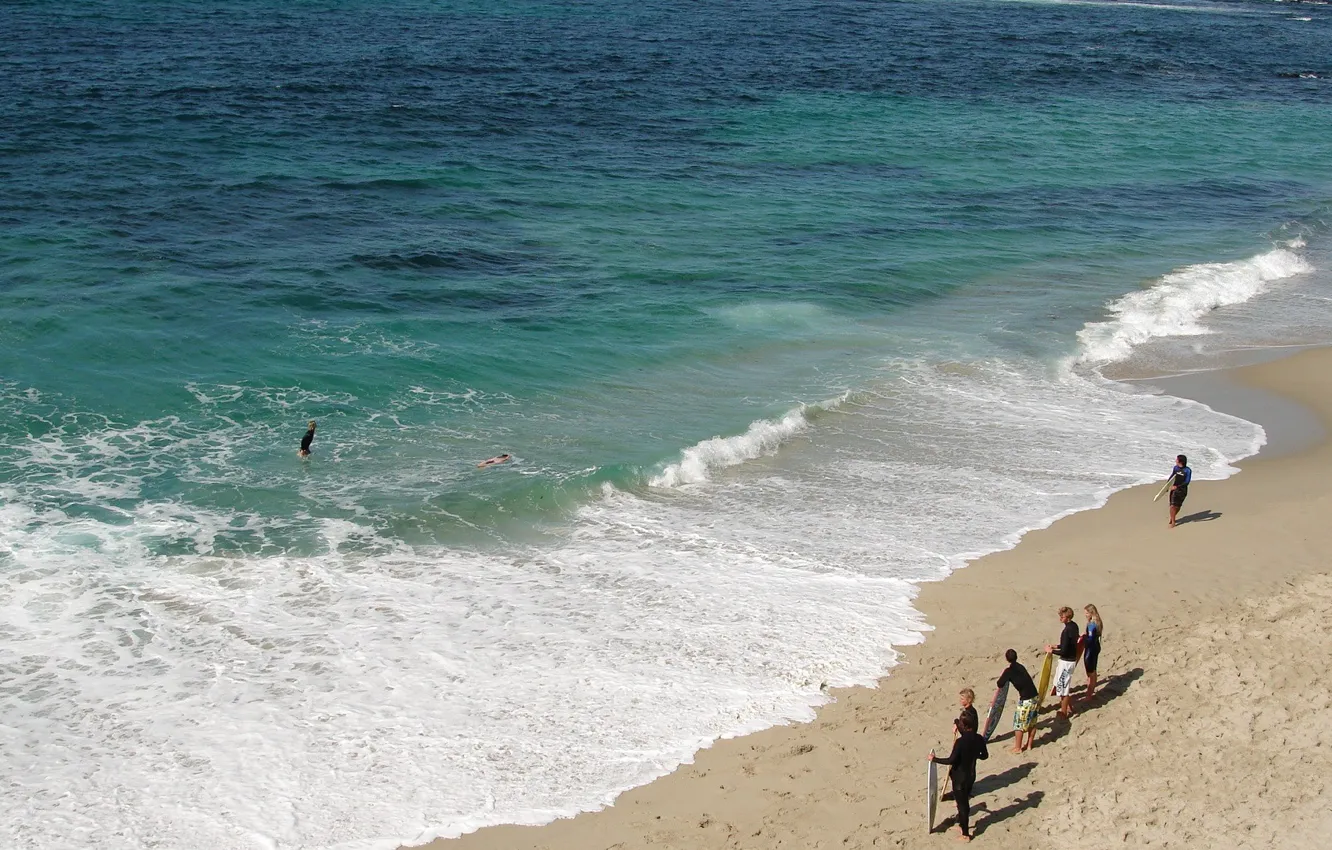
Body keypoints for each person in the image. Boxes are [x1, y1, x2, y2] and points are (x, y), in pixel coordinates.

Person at [929, 713, 989, 842]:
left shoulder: (960, 742)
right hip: (971, 776)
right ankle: (963, 826)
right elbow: (984, 756)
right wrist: (956, 722)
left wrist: (934, 759)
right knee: (963, 803)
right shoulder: (979, 738)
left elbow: (951, 760)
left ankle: (965, 834)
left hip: (959, 779)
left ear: (965, 725)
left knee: (963, 807)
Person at [997, 649, 1039, 753]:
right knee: (1032, 722)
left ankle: (1018, 747)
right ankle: (1029, 745)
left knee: (1018, 724)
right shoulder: (1021, 667)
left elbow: (1000, 683)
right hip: (1035, 696)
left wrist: (1006, 675)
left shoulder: (1009, 671)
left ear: (1007, 659)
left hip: (1026, 700)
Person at [1045, 606, 1080, 719]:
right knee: (1062, 685)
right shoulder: (1074, 626)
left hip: (1066, 662)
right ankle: (1068, 707)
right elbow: (1069, 644)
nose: (1060, 618)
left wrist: (1052, 651)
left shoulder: (1066, 631)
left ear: (1067, 617)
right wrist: (1057, 646)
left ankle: (1064, 713)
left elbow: (1064, 651)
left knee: (1063, 688)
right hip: (1071, 660)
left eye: (1062, 616)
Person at [1083, 604, 1104, 700]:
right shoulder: (1098, 622)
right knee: (1094, 670)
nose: (1085, 615)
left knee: (1090, 672)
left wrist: (1083, 639)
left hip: (1091, 649)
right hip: (1096, 647)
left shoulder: (1091, 624)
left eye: (1087, 613)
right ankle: (1090, 691)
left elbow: (1090, 639)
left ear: (1091, 613)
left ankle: (1089, 694)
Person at [1168, 453, 1192, 528]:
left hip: (1182, 490)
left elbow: (1187, 482)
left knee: (1178, 506)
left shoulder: (1187, 470)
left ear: (1180, 461)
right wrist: (1167, 486)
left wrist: (1177, 487)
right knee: (1172, 505)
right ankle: (1173, 521)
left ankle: (1173, 516)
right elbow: (1172, 477)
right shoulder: (1176, 468)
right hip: (1174, 490)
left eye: (1177, 459)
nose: (1175, 460)